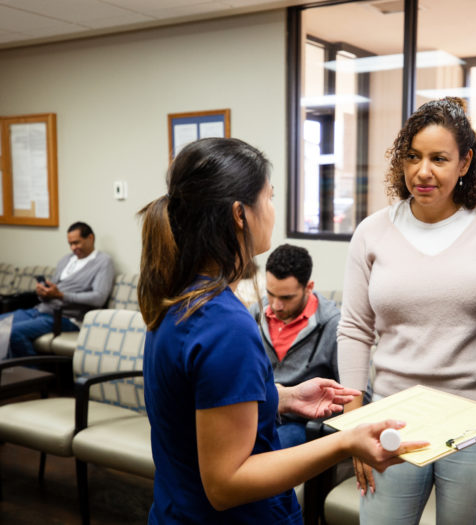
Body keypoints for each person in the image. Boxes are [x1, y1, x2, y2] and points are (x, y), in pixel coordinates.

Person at [138, 137, 428, 524]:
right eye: (270, 197)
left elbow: (202, 406)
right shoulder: (225, 325)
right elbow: (226, 484)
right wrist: (345, 441)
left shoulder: (178, 297)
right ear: (240, 214)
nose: (273, 210)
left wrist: (283, 398)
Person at [337, 97, 476, 524]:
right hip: (392, 414)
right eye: (412, 157)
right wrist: (354, 421)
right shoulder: (372, 232)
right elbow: (356, 328)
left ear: (465, 162)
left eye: (439, 158)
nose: (423, 172)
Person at [248, 243, 341, 448]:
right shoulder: (254, 314)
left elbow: (356, 394)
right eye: (270, 293)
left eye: (286, 297)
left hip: (301, 422)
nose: (276, 305)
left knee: (267, 451)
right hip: (255, 412)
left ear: (309, 287)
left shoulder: (333, 325)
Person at [0, 221, 115, 357]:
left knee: (12, 332)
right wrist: (43, 293)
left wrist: (61, 295)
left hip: (66, 318)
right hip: (39, 310)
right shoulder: (67, 259)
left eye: (77, 243)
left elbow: (99, 297)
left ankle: (35, 375)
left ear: (90, 238)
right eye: (70, 244)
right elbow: (54, 288)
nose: (73, 248)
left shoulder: (103, 262)